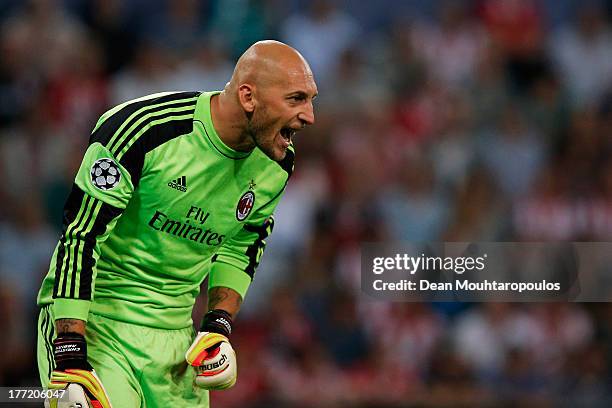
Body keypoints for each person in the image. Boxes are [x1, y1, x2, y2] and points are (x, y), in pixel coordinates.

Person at [36, 40, 317, 407]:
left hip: (175, 346)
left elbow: (243, 243)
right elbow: (81, 235)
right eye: (296, 99)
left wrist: (217, 326)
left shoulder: (276, 162)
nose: (310, 115)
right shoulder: (142, 129)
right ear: (249, 97)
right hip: (98, 324)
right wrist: (72, 353)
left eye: (311, 99)